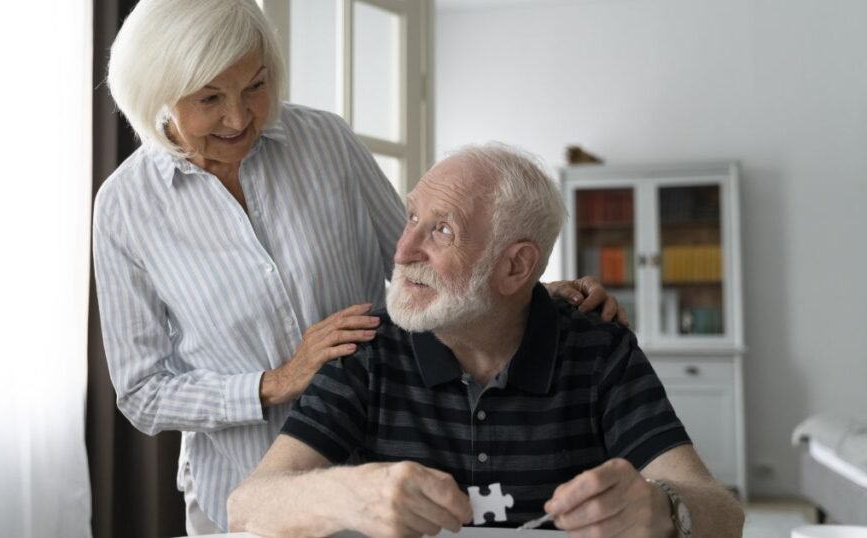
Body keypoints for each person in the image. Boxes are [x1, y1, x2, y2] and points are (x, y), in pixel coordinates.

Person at [93, 0, 624, 533]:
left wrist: (522, 294)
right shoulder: (124, 208)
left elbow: (422, 264)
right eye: (210, 98)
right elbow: (143, 393)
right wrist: (274, 383)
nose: (239, 117)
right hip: (238, 491)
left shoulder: (326, 142)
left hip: (375, 482)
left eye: (254, 86)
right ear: (156, 96)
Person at [227, 143, 744, 538]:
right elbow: (246, 506)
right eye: (412, 218)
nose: (404, 248)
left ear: (515, 265)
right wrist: (350, 493)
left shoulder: (599, 347)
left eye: (442, 231)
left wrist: (661, 509)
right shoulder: (365, 347)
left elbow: (723, 512)